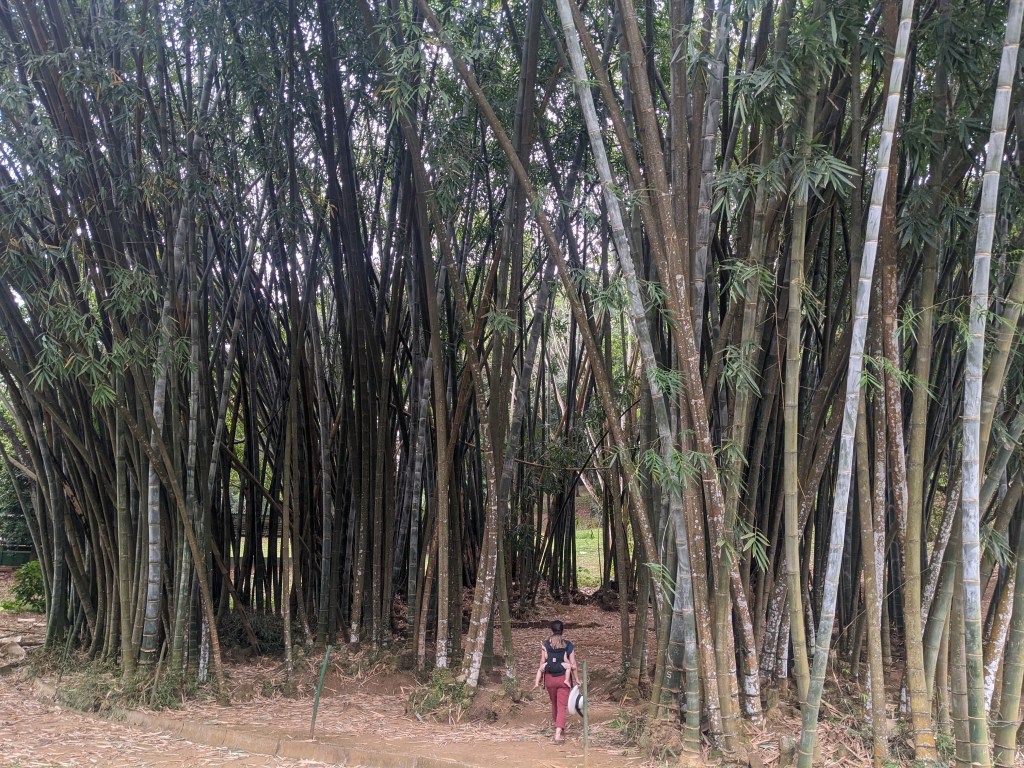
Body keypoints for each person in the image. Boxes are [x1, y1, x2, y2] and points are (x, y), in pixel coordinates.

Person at [532, 620, 577, 743]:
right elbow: (573, 664)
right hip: (563, 679)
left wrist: (539, 678)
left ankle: (558, 726)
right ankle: (558, 733)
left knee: (554, 704)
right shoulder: (568, 645)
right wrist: (576, 677)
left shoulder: (546, 644)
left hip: (550, 679)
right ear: (563, 630)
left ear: (551, 630)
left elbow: (542, 662)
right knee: (562, 706)